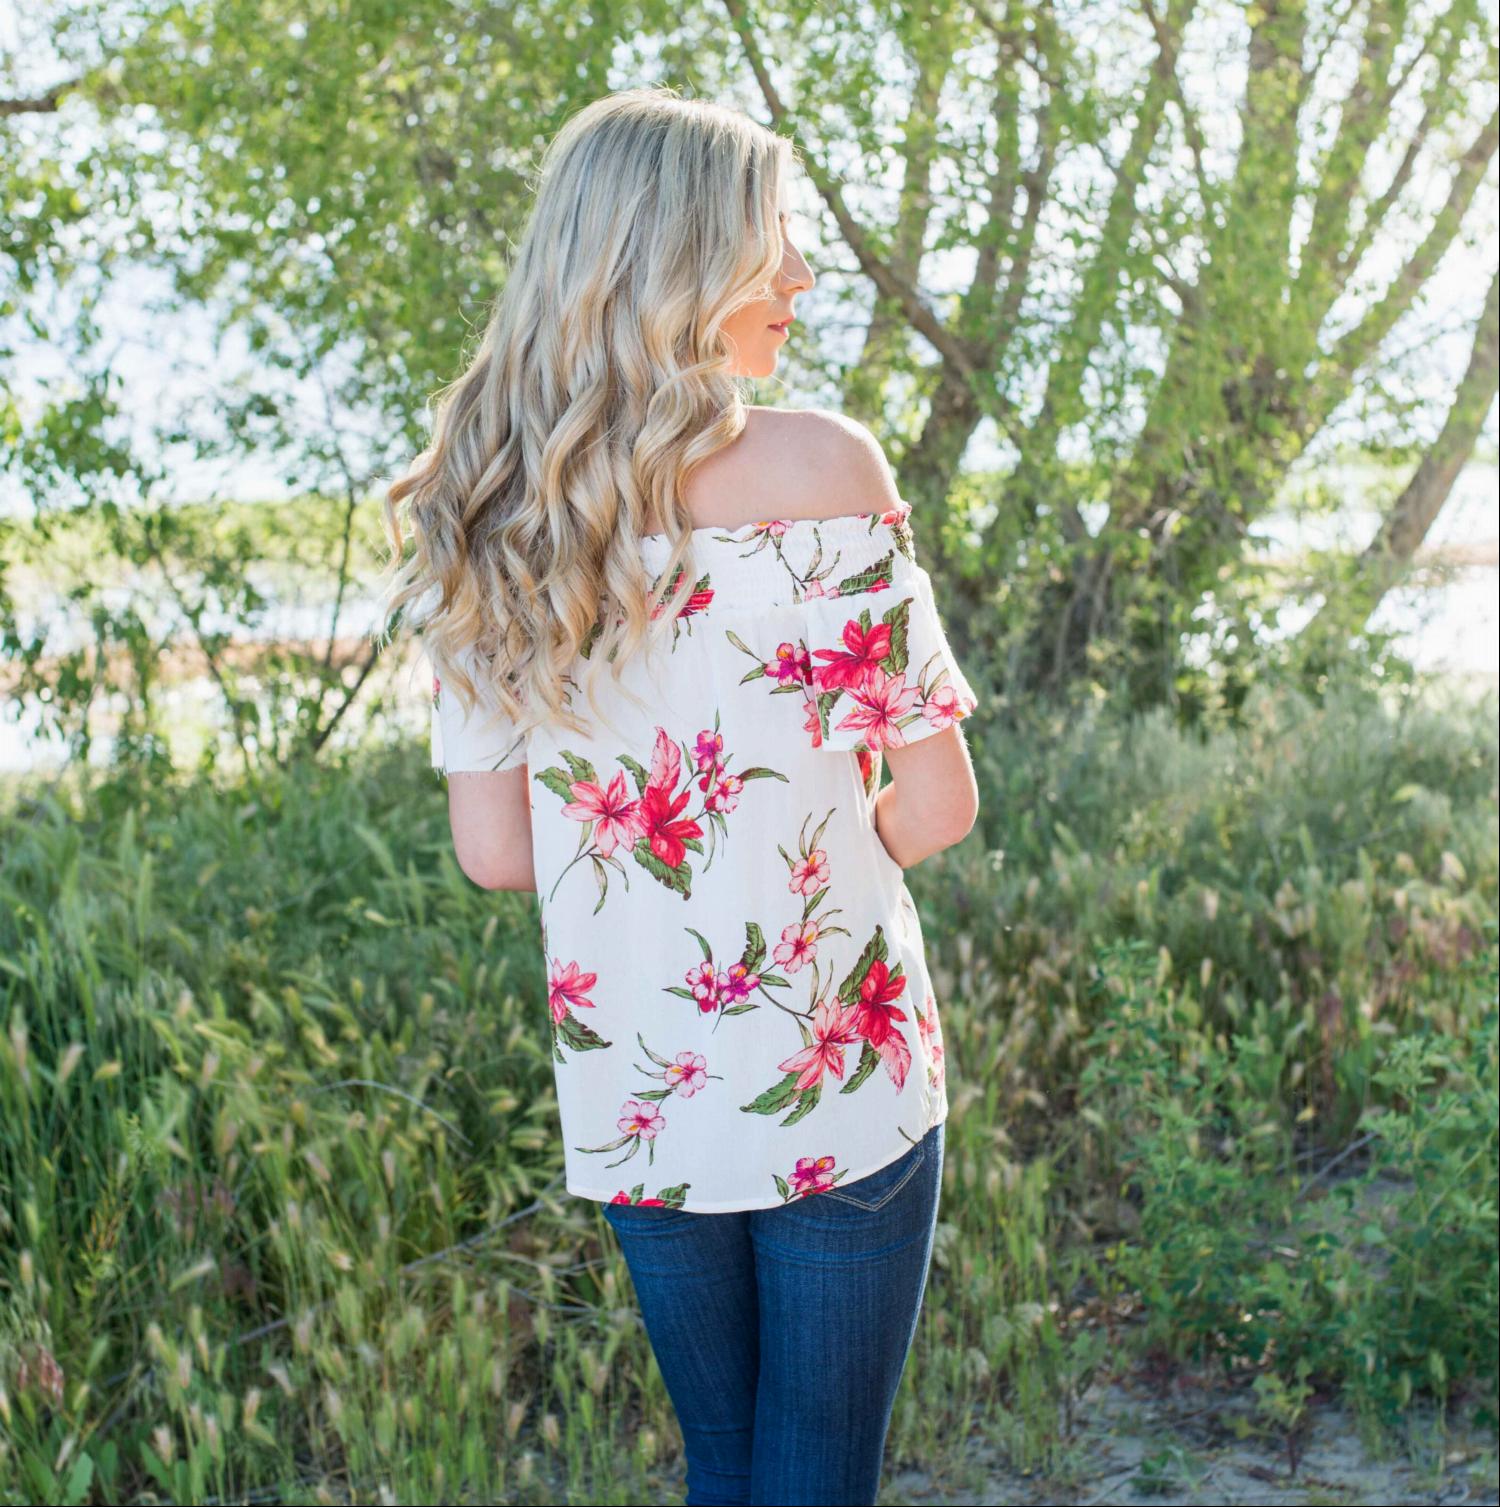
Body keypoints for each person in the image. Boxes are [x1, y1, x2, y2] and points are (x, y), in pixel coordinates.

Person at [379, 84, 982, 1507]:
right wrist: (829, 845)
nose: (803, 277)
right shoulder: (825, 469)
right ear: (684, 257)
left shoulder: (477, 504)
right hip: (837, 1070)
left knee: (728, 1472)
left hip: (640, 1086)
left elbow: (495, 855)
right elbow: (938, 808)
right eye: (776, 241)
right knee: (816, 1481)